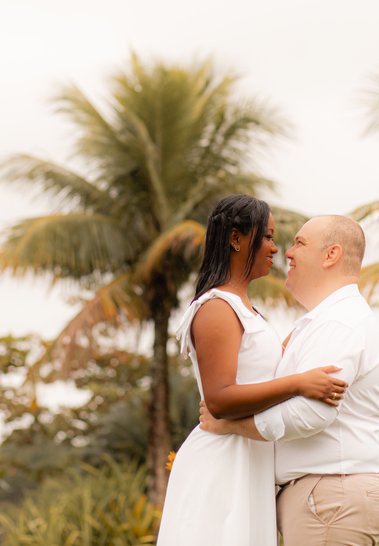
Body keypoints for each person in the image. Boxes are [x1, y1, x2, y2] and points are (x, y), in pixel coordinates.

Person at [156, 195, 348, 546]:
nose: (276, 248)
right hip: (222, 463)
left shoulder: (245, 310)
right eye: (268, 237)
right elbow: (219, 400)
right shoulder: (217, 307)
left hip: (248, 459)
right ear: (236, 238)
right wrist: (297, 384)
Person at [200, 215, 379, 546]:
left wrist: (231, 425)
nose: (286, 252)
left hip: (332, 491)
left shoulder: (338, 323)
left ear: (331, 255)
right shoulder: (328, 321)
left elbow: (312, 413)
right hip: (332, 490)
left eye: (300, 243)